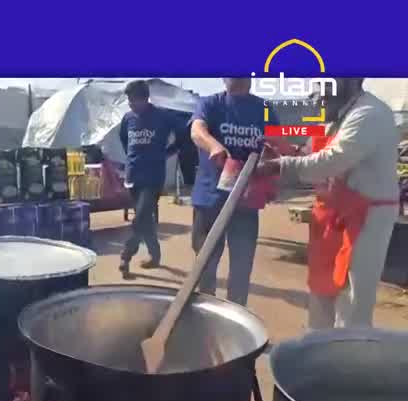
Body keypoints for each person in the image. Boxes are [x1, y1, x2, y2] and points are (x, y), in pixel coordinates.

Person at [257, 78, 400, 329]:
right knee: (322, 290)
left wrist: (279, 166)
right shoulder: (335, 118)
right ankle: (318, 351)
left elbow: (331, 161)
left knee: (350, 301)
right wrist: (286, 152)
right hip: (332, 217)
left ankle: (347, 359)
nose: (318, 92)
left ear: (353, 80)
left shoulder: (370, 114)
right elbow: (311, 155)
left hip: (365, 220)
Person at [189, 78, 280, 306]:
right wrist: (213, 146)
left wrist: (272, 163)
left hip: (246, 202)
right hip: (211, 199)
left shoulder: (264, 109)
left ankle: (236, 316)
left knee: (241, 267)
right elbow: (196, 130)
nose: (238, 80)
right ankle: (206, 314)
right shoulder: (210, 104)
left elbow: (277, 142)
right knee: (206, 264)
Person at [118, 80, 183, 277]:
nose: (130, 103)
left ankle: (126, 255)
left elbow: (184, 134)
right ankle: (155, 256)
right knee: (145, 219)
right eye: (128, 100)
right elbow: (124, 140)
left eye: (133, 99)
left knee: (140, 217)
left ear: (145, 98)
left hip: (153, 177)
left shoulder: (162, 116)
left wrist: (168, 152)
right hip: (133, 176)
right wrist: (131, 160)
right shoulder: (128, 118)